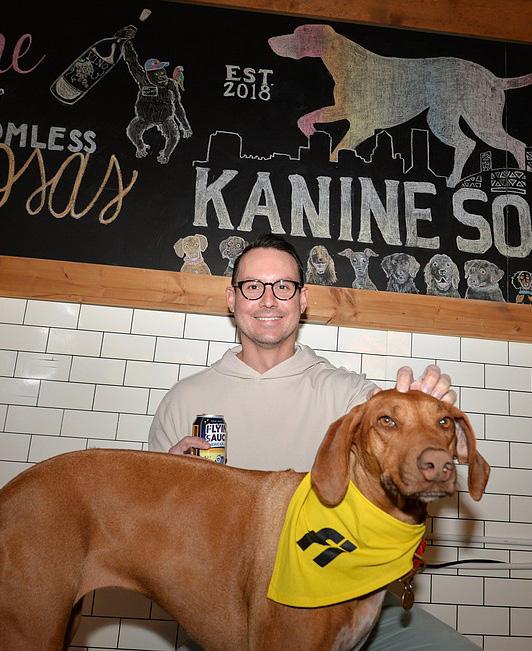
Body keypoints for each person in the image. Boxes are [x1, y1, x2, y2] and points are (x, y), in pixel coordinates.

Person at [149, 234, 479, 650]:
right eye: (252, 286)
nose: (268, 299)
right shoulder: (184, 400)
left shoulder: (348, 394)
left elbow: (395, 421)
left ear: (302, 299)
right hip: (228, 601)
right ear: (232, 299)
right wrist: (171, 486)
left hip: (349, 589)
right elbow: (155, 535)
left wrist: (425, 414)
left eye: (283, 286)